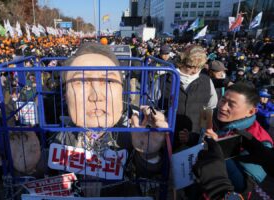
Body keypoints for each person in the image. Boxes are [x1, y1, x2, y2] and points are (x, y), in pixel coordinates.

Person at [50, 42, 168, 197]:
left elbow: (147, 179)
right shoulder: (60, 140)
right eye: (81, 82)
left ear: (122, 92)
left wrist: (149, 154)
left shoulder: (130, 136)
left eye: (108, 81)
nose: (95, 96)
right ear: (66, 96)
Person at [204, 83, 273, 194]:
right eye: (223, 100)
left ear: (250, 111)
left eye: (231, 104)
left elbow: (243, 186)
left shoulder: (259, 141)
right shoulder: (215, 118)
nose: (223, 107)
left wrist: (218, 148)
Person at [156, 44, 218, 148]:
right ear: (181, 63)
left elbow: (209, 108)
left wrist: (206, 128)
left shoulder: (207, 81)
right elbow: (151, 105)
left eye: (199, 67)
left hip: (195, 138)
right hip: (167, 137)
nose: (194, 71)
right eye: (190, 66)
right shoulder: (163, 80)